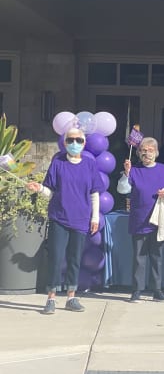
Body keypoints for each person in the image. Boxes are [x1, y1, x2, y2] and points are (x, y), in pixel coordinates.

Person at [26, 127, 103, 315]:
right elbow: (50, 191)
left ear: (84, 143)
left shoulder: (89, 165)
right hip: (59, 217)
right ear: (65, 142)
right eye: (70, 140)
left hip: (81, 218)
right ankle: (51, 298)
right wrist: (39, 189)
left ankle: (71, 297)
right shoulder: (58, 162)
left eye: (78, 140)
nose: (74, 143)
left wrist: (94, 217)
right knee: (56, 257)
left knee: (75, 258)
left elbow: (94, 193)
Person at [117, 137, 164, 302]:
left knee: (157, 256)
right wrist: (127, 174)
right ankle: (137, 289)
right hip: (139, 219)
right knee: (139, 257)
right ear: (138, 152)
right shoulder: (134, 170)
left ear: (156, 152)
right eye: (143, 150)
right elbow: (122, 190)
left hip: (158, 220)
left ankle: (157, 289)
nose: (147, 153)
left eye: (150, 150)